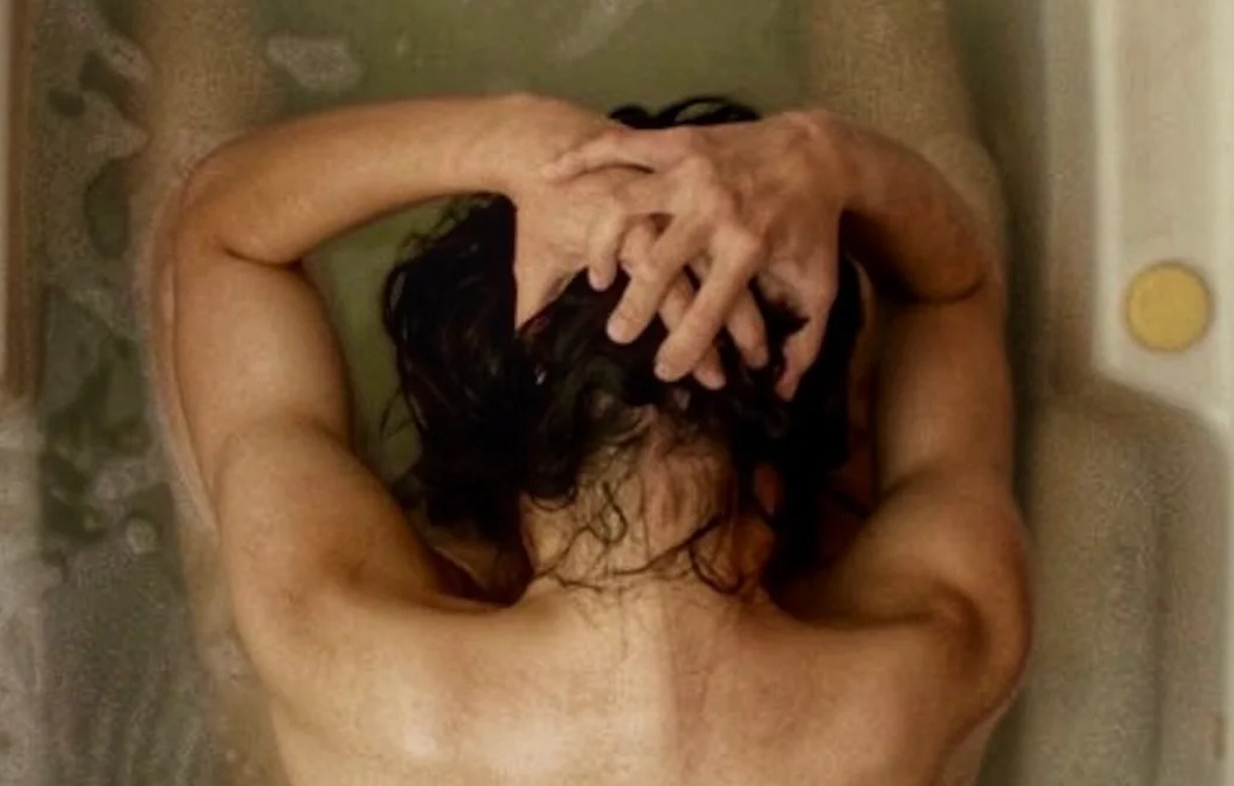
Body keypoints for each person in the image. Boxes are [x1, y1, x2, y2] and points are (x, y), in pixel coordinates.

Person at [155, 85, 1028, 785]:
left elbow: (221, 234)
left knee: (243, 520)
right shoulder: (927, 658)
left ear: (509, 450)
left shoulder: (348, 654)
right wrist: (825, 156)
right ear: (775, 459)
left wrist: (508, 138)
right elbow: (951, 289)